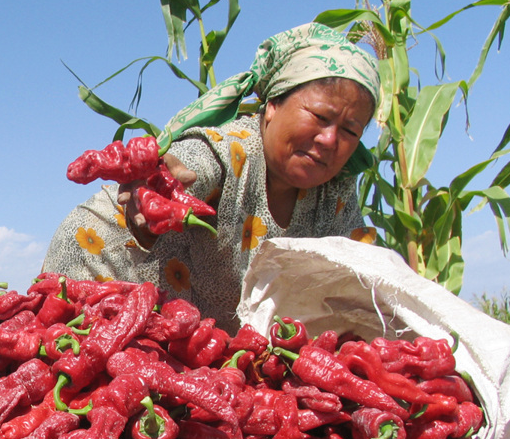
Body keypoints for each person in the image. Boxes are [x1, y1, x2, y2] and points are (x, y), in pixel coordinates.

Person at [43, 23, 381, 334]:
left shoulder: (334, 195)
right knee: (86, 372)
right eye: (320, 117)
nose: (330, 140)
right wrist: (162, 183)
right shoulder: (233, 148)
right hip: (104, 263)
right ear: (273, 105)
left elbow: (368, 278)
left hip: (179, 316)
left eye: (350, 131)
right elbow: (193, 165)